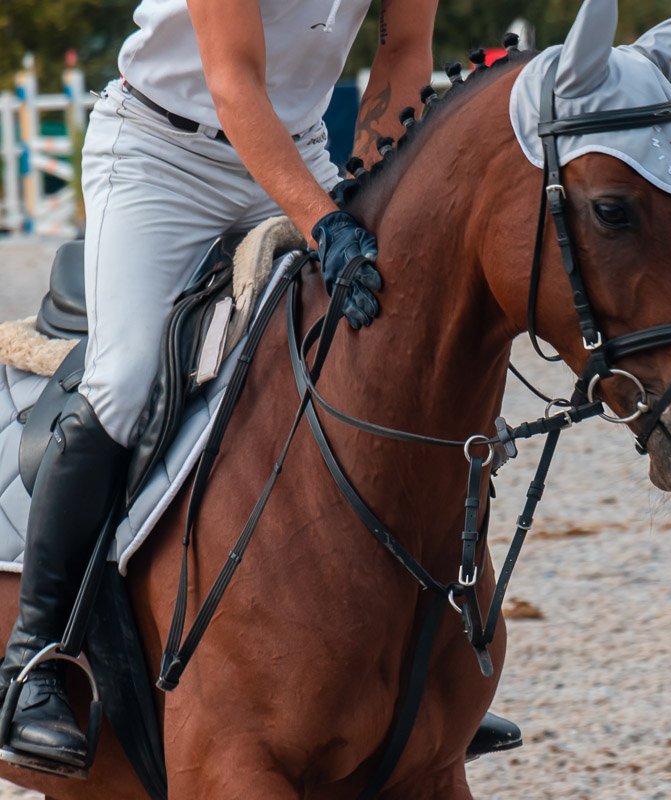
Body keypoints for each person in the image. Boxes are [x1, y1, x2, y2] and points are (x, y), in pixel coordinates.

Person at [0, 0, 517, 773]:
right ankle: (33, 661)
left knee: (390, 352)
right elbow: (234, 83)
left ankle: (414, 675)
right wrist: (325, 225)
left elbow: (406, 50)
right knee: (127, 377)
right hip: (162, 157)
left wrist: (375, 194)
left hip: (296, 152)